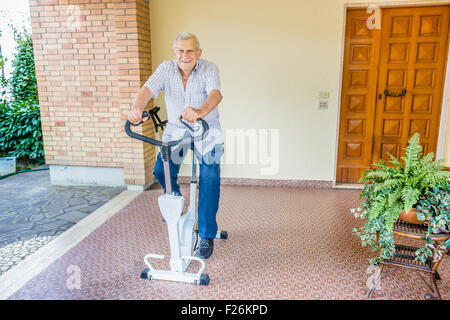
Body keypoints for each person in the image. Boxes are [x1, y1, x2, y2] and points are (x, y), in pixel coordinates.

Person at [128, 32, 224, 259]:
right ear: (174, 53)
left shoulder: (209, 69)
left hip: (206, 129)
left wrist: (199, 111)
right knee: (161, 170)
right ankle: (176, 198)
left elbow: (215, 95)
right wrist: (136, 107)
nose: (185, 55)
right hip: (176, 130)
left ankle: (206, 235)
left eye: (190, 50)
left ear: (198, 53)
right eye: (180, 50)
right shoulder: (165, 69)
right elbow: (146, 90)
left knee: (209, 177)